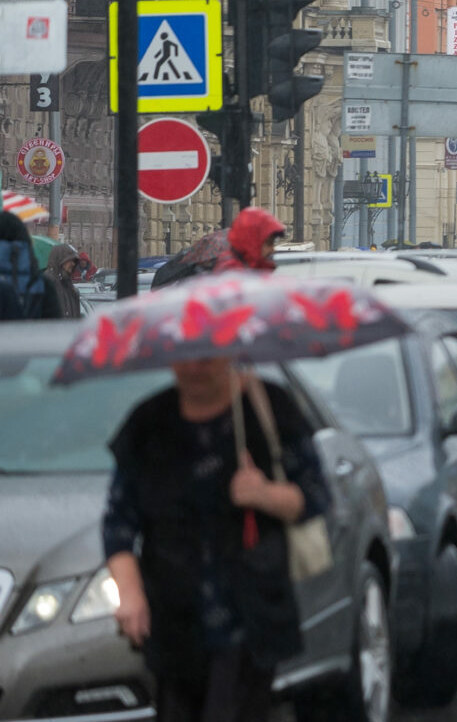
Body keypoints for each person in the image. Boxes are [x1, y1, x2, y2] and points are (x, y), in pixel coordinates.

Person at [103, 358, 330, 722]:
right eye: (186, 358)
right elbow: (118, 522)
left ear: (229, 352)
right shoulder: (148, 423)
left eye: (207, 356)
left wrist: (264, 494)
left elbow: (316, 497)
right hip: (174, 618)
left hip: (250, 616)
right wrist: (129, 593)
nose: (195, 368)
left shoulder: (269, 406)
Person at [213, 208, 285, 275]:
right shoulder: (232, 273)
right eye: (269, 243)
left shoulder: (259, 267)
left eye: (272, 243)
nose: (272, 249)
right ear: (252, 242)